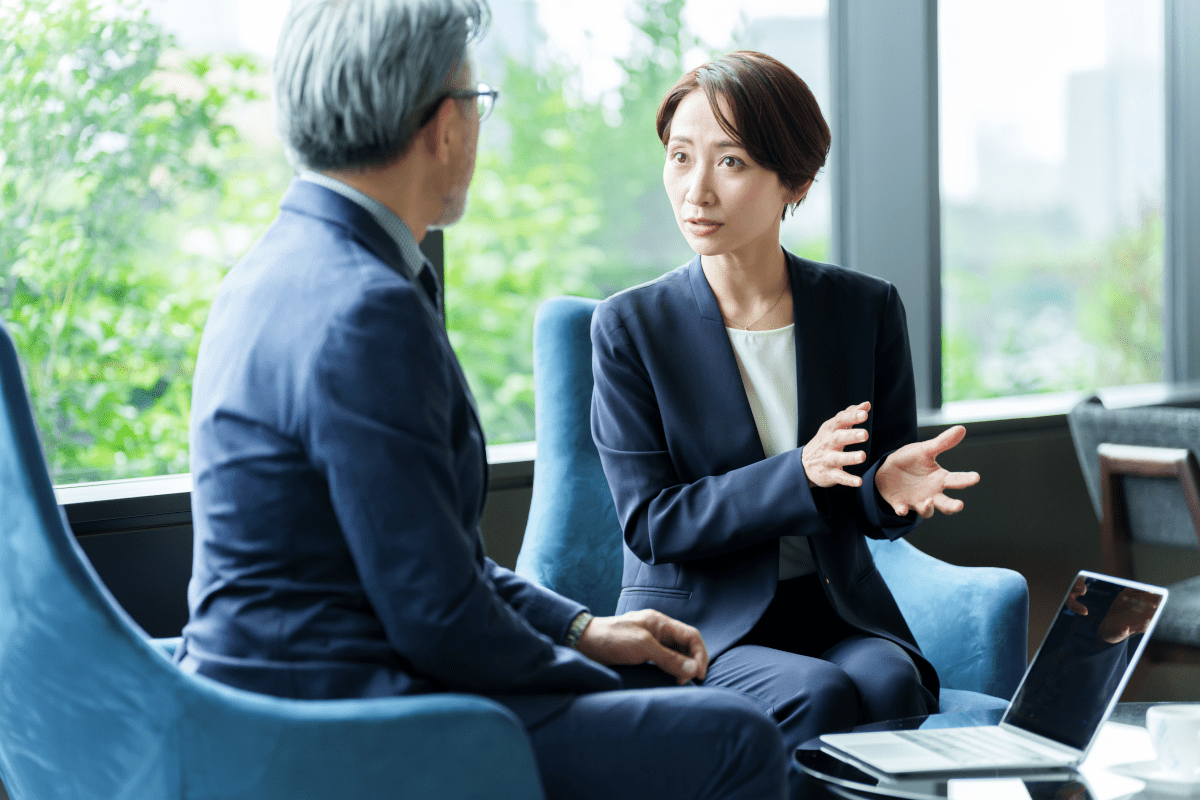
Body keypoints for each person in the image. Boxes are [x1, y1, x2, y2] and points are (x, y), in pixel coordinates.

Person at [177, 4, 786, 799]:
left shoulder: (270, 269)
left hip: (260, 702)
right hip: (334, 727)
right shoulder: (367, 308)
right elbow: (436, 617)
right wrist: (595, 678)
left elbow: (433, 567)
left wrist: (583, 628)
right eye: (476, 101)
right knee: (734, 737)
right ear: (443, 127)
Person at [590, 51, 981, 798]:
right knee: (819, 694)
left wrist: (885, 491)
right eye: (680, 157)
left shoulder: (863, 310)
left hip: (831, 607)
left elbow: (864, 493)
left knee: (891, 679)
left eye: (729, 161)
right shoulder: (631, 328)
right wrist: (795, 471)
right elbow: (651, 521)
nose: (695, 190)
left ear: (794, 182)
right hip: (702, 625)